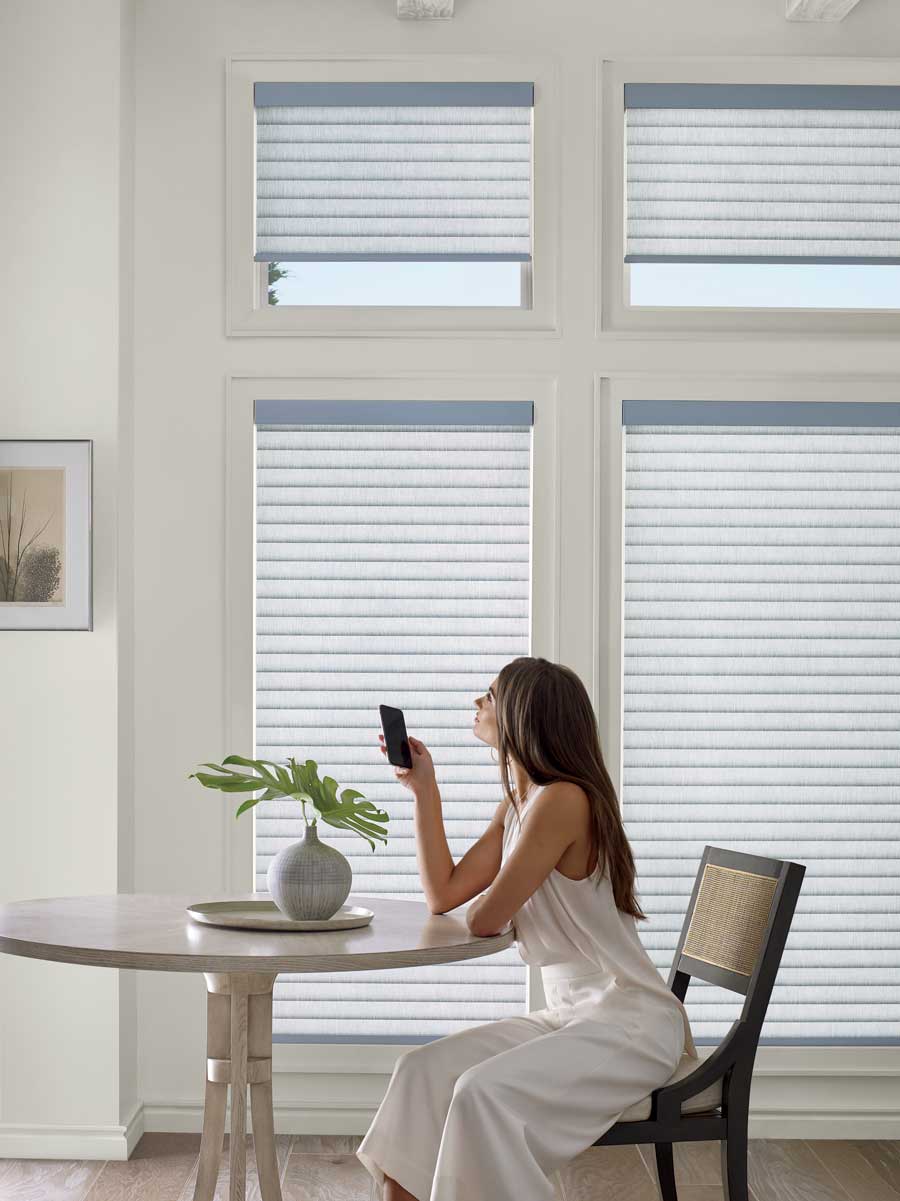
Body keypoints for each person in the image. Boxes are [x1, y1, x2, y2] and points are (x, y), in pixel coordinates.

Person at [356, 656, 698, 1201]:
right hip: (569, 1016)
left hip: (630, 1023)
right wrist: (426, 792)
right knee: (420, 1071)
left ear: (523, 715)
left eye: (489, 695)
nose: (477, 702)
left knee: (480, 1094)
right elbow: (445, 894)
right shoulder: (518, 804)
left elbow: (486, 917)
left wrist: (495, 903)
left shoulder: (563, 800)